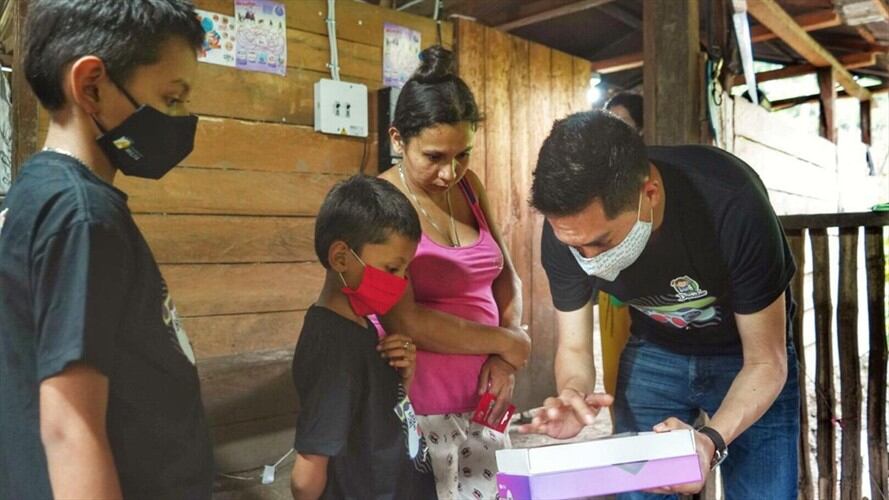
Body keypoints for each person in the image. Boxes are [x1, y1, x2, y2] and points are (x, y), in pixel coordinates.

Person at [521, 110, 799, 499]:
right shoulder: (567, 232)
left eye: (600, 242)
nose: (586, 257)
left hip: (745, 356)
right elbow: (575, 347)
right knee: (640, 493)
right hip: (655, 350)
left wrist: (710, 441)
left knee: (764, 492)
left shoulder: (731, 202)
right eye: (573, 245)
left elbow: (767, 362)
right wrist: (573, 392)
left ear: (648, 194)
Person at [0, 2, 213, 499]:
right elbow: (70, 428)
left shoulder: (35, 191)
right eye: (171, 98)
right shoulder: (83, 216)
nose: (179, 119)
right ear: (91, 85)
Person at [377, 45, 529, 500]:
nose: (450, 172)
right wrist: (508, 343)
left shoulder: (470, 184)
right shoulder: (382, 203)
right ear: (397, 139)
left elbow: (506, 275)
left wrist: (505, 358)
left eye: (462, 153)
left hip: (487, 395)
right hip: (426, 397)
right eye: (434, 156)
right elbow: (406, 321)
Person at [289, 175, 434, 500]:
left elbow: (377, 418)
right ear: (341, 257)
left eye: (405, 271)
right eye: (392, 268)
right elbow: (306, 476)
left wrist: (402, 378)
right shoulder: (333, 346)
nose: (401, 282)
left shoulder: (361, 325)